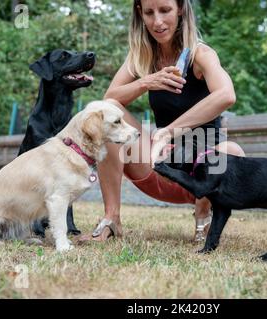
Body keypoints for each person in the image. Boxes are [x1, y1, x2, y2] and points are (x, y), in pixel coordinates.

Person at [79, 0, 245, 243]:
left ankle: (203, 214)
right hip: (162, 169)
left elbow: (226, 95)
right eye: (149, 12)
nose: (157, 21)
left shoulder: (201, 54)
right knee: (108, 111)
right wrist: (147, 82)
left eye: (165, 10)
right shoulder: (143, 55)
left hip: (203, 178)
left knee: (232, 151)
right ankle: (111, 218)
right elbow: (109, 99)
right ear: (140, 14)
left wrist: (169, 132)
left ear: (179, 9)